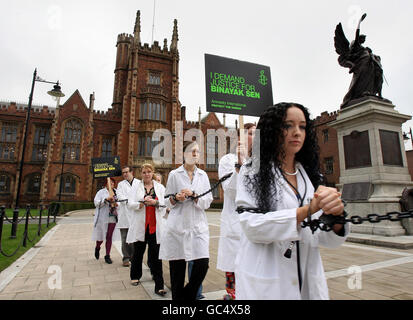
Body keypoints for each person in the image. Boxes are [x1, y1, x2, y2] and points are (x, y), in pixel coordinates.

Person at [235, 102, 349, 300]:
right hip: (267, 281)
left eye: (302, 126)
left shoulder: (311, 175)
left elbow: (321, 237)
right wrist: (306, 211)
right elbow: (251, 226)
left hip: (307, 279)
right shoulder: (252, 170)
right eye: (288, 126)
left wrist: (336, 218)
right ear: (272, 131)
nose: (297, 132)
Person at [160, 140, 213, 301]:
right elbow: (166, 200)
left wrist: (194, 195)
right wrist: (176, 198)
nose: (195, 154)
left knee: (202, 264)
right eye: (192, 151)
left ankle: (186, 296)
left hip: (198, 226)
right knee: (177, 271)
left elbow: (208, 201)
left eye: (197, 151)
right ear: (184, 154)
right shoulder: (175, 175)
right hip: (178, 227)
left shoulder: (203, 175)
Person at [216, 122, 256, 300]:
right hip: (236, 226)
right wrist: (240, 165)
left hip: (258, 228)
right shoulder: (228, 160)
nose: (256, 136)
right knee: (235, 283)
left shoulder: (263, 161)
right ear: (240, 138)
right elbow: (230, 191)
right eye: (251, 133)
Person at [126, 163, 167, 296]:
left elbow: (165, 204)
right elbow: (129, 203)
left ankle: (159, 285)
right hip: (141, 225)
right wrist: (142, 202)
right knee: (138, 253)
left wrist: (156, 203)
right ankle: (135, 276)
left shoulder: (160, 187)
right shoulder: (136, 187)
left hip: (155, 227)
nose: (146, 174)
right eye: (144, 172)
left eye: (149, 172)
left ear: (152, 173)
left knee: (156, 256)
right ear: (141, 174)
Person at [92, 177, 119, 264]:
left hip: (112, 217)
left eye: (112, 183)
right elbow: (96, 203)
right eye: (109, 182)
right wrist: (105, 200)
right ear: (106, 184)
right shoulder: (101, 192)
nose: (111, 184)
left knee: (109, 236)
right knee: (100, 237)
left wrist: (117, 204)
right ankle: (97, 247)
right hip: (102, 218)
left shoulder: (117, 192)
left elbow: (121, 203)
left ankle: (107, 255)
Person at [116, 165, 139, 267]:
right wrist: (132, 201)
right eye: (123, 173)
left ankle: (134, 257)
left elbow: (140, 196)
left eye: (126, 172)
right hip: (124, 215)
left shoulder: (139, 183)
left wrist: (132, 202)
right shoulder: (120, 184)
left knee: (134, 239)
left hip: (135, 214)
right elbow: (120, 197)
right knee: (124, 238)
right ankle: (126, 257)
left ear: (131, 172)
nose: (125, 174)